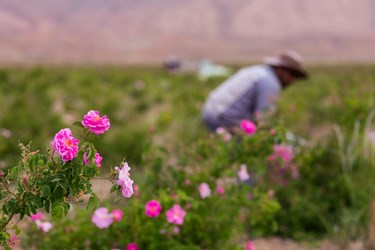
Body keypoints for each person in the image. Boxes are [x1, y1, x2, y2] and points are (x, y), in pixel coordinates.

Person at [202, 50, 308, 132]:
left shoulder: (259, 71)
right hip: (223, 117)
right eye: (291, 74)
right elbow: (264, 120)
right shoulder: (270, 82)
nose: (292, 80)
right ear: (280, 69)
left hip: (212, 110)